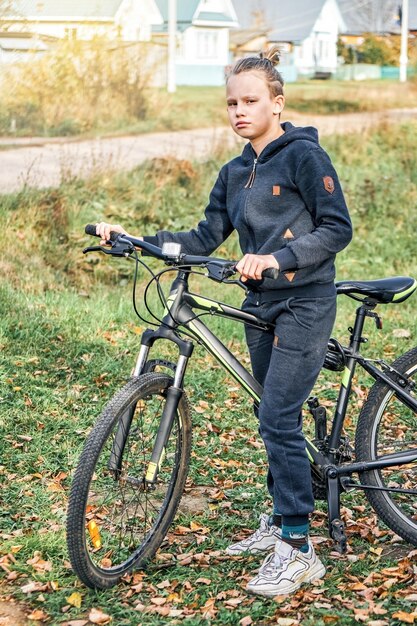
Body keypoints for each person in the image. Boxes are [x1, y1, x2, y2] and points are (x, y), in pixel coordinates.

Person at [95, 46, 353, 597]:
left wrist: (277, 259)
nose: (239, 110)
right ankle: (281, 519)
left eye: (251, 100)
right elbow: (203, 237)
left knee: (279, 414)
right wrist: (136, 237)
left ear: (277, 103)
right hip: (259, 305)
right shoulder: (235, 171)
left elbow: (336, 229)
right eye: (232, 102)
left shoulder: (304, 157)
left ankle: (301, 549)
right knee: (272, 410)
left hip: (304, 300)